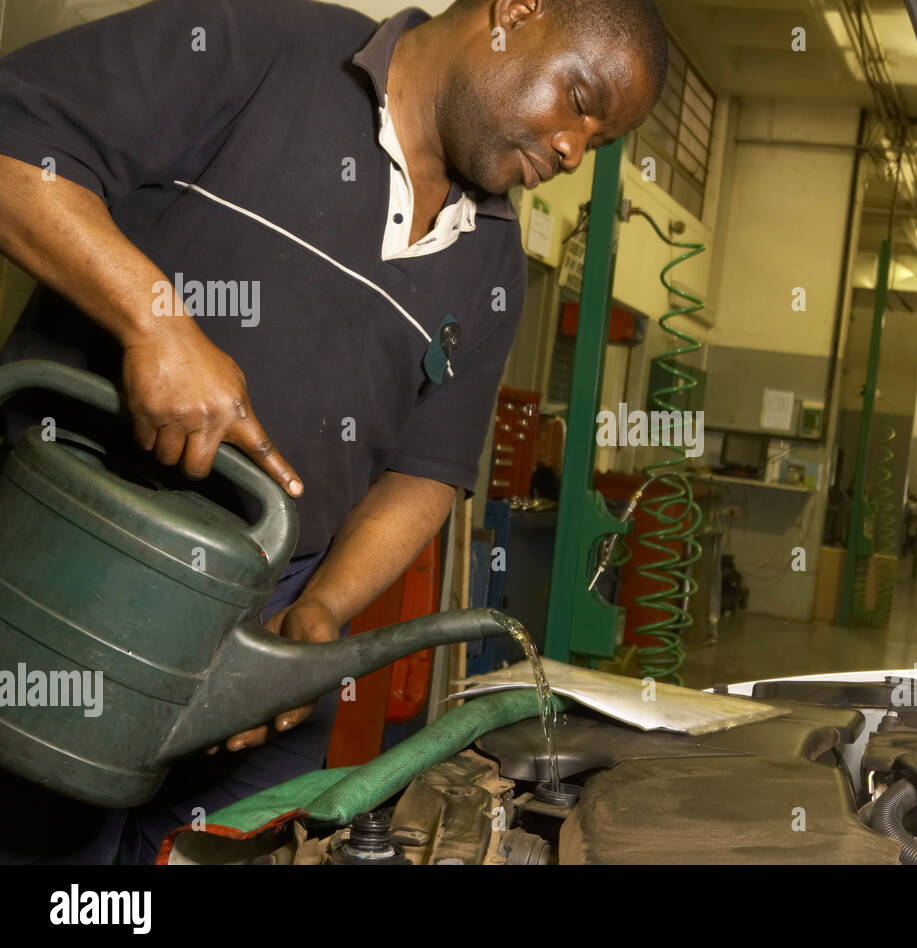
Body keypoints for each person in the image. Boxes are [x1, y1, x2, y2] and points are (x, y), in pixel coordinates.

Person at [0, 0, 666, 863]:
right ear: (516, 12)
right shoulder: (254, 47)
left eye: (599, 142)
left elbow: (429, 468)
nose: (575, 150)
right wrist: (155, 323)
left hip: (267, 622)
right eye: (579, 99)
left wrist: (321, 611)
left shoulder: (493, 255)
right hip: (78, 573)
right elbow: (17, 145)